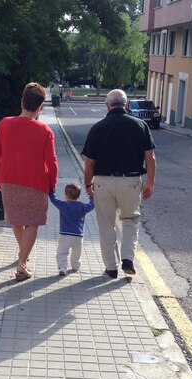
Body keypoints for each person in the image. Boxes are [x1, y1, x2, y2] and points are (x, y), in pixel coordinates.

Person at [82, 89, 156, 279]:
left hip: (103, 182)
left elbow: (90, 162)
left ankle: (111, 268)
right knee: (130, 220)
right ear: (126, 104)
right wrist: (150, 182)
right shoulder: (140, 126)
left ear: (107, 106)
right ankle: (128, 259)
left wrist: (87, 184)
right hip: (131, 181)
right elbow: (150, 157)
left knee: (106, 224)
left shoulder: (98, 128)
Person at [0, 82, 58, 281]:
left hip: (9, 179)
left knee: (17, 220)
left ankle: (23, 258)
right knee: (32, 223)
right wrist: (52, 183)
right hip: (36, 182)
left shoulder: (4, 123)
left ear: (21, 102)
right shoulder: (45, 130)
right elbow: (51, 161)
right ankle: (22, 263)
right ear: (40, 107)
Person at [49, 183, 94, 275]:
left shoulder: (63, 205)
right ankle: (75, 266)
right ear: (79, 196)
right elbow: (92, 205)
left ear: (65, 195)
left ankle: (63, 267)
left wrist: (51, 190)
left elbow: (54, 200)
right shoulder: (82, 206)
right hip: (79, 236)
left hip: (65, 234)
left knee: (62, 252)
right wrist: (91, 196)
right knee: (76, 253)